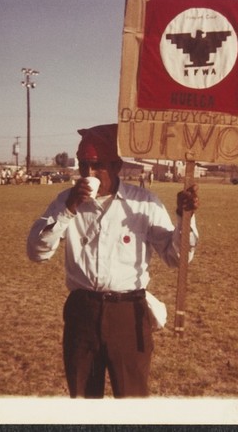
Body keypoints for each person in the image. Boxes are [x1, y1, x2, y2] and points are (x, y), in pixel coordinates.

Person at [27, 124, 199, 398]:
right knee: (83, 400)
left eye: (97, 166)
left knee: (132, 399)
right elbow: (37, 252)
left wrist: (184, 218)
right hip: (82, 312)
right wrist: (68, 210)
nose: (88, 174)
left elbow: (176, 257)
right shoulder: (66, 201)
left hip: (128, 314)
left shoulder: (144, 203)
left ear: (117, 165)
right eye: (83, 165)